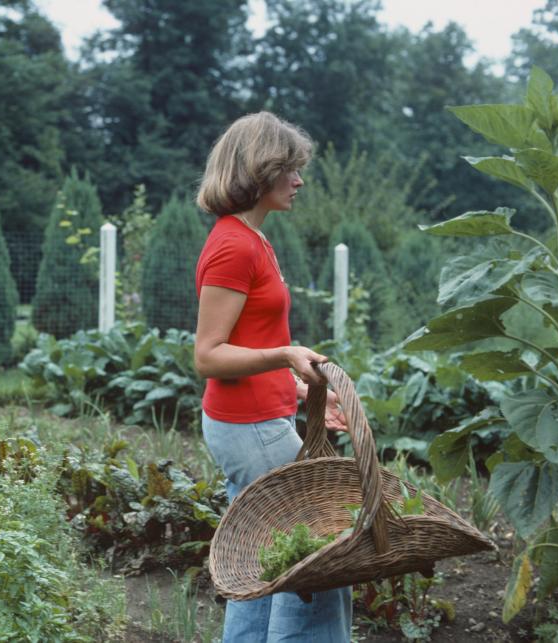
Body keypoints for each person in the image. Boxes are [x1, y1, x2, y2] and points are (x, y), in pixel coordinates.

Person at [194, 111, 352, 642]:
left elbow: (253, 341)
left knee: (265, 566)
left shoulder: (253, 239)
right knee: (316, 564)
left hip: (262, 419)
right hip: (250, 428)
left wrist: (302, 390)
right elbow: (209, 355)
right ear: (259, 171)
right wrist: (286, 354)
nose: (299, 181)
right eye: (290, 169)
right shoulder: (234, 246)